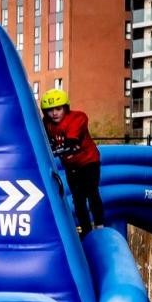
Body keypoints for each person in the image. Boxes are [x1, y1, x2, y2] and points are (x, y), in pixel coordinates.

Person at [40, 88, 104, 234]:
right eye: (50, 110)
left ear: (66, 108)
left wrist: (59, 149)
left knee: (92, 192)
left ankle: (100, 225)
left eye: (58, 109)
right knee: (78, 198)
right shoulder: (47, 123)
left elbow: (71, 142)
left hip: (88, 161)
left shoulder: (78, 118)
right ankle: (86, 230)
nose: (54, 113)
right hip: (71, 165)